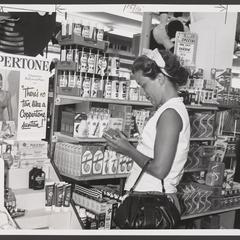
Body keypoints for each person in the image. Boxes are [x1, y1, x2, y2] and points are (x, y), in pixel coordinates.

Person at [104, 49, 190, 213]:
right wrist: (125, 144)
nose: (144, 93)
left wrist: (127, 149)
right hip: (149, 201)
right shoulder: (168, 110)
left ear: (160, 79)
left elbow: (159, 169)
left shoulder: (170, 114)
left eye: (144, 86)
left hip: (152, 205)